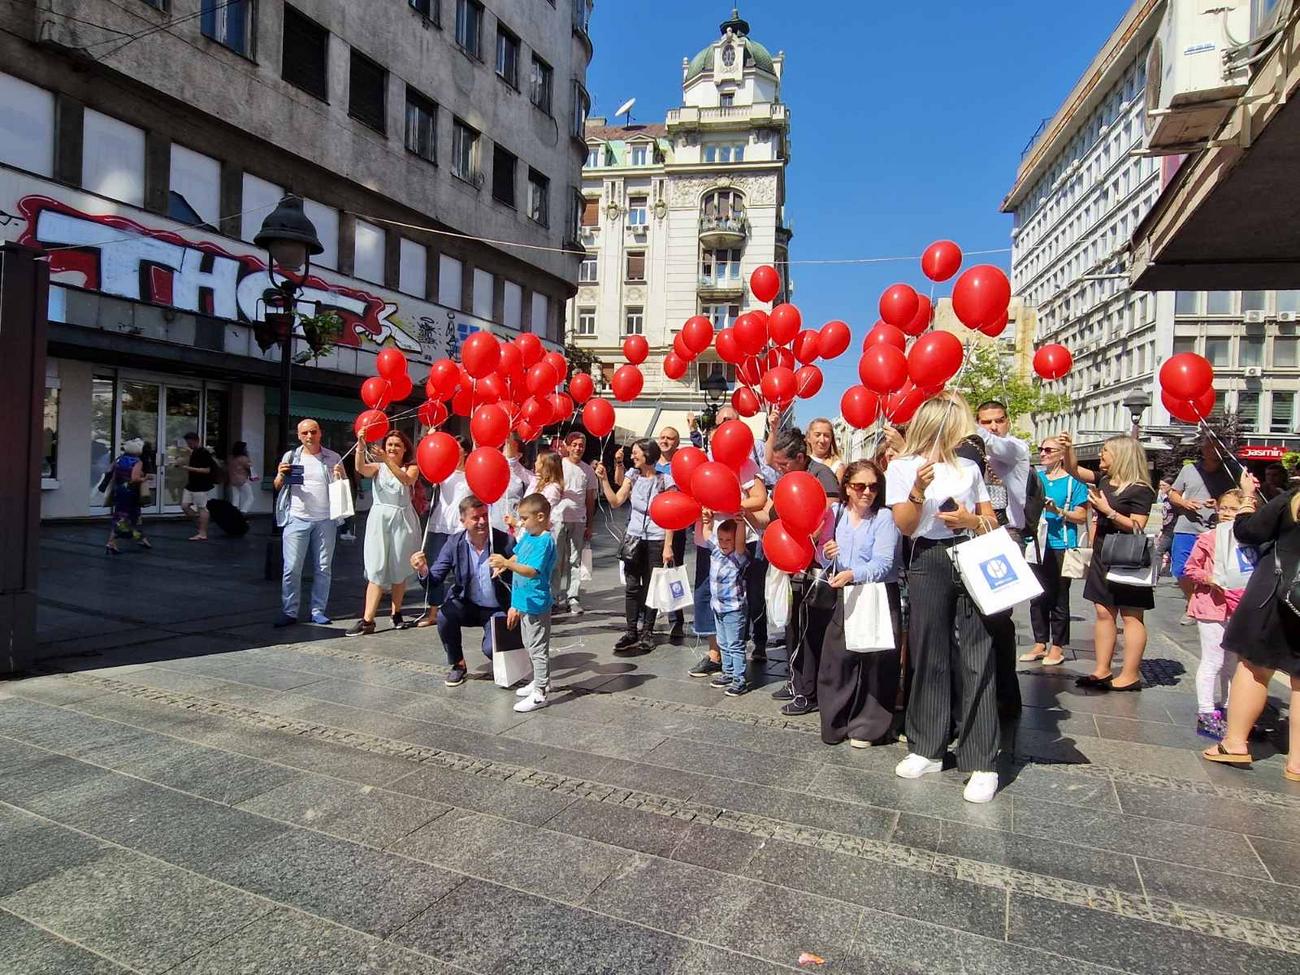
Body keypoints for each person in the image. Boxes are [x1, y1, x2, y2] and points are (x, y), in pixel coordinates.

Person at [885, 392, 1002, 804]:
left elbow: (991, 519)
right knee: (929, 651)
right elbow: (904, 525)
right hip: (928, 557)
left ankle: (982, 760)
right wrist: (917, 488)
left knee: (977, 651)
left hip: (970, 550)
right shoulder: (900, 467)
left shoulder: (969, 466)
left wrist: (971, 519)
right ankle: (927, 746)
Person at [1200, 473, 1300, 781]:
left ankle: (1234, 742)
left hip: (1276, 593)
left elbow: (1247, 531)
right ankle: (1297, 762)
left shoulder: (1292, 499)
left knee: (1255, 666)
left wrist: (1246, 499)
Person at [1058, 432, 1157, 692]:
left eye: (1105, 451)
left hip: (1128, 555)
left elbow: (1138, 526)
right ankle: (1101, 669)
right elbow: (1073, 470)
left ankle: (1130, 673)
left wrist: (1108, 511)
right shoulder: (1104, 480)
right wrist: (1069, 448)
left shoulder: (1140, 489)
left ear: (1121, 456)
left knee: (1131, 615)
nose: (1101, 455)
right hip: (1104, 551)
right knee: (1103, 611)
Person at [817, 460, 902, 747]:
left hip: (875, 592)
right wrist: (827, 555)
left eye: (874, 486)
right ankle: (836, 721)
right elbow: (821, 553)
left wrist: (854, 573)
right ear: (847, 488)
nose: (867, 492)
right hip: (844, 592)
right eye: (860, 486)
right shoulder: (836, 513)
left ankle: (868, 727)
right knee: (837, 660)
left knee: (875, 661)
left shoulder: (884, 518)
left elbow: (884, 562)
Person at [687, 410, 769, 679]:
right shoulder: (704, 461)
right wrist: (703, 508)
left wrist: (731, 504)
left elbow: (759, 497)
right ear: (715, 429)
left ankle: (743, 649)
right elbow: (692, 495)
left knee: (747, 596)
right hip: (709, 539)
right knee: (706, 594)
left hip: (741, 540)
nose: (729, 427)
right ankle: (715, 653)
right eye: (724, 422)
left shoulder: (747, 464)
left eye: (734, 421)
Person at [413, 495, 514, 687]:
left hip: (498, 608)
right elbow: (434, 580)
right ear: (463, 521)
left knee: (491, 650)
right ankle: (458, 665)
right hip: (468, 604)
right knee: (445, 615)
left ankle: (512, 649)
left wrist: (515, 607)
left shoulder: (504, 541)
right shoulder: (454, 543)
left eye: (485, 515)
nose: (482, 522)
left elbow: (523, 579)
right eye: (476, 518)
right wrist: (422, 569)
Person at [1182, 489, 1250, 739]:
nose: (1226, 514)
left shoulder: (1249, 542)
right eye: (1223, 508)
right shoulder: (1209, 538)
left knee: (1232, 663)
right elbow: (1189, 568)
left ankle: (1233, 709)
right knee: (1213, 660)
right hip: (1211, 604)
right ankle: (1206, 712)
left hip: (1237, 606)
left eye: (1233, 509)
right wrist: (1209, 578)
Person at [596, 439, 673, 653]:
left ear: (648, 454)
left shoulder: (665, 480)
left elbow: (671, 515)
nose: (633, 456)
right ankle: (631, 631)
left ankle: (647, 632)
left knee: (651, 587)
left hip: (656, 538)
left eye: (636, 453)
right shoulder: (632, 476)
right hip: (634, 537)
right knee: (631, 586)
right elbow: (615, 501)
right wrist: (603, 481)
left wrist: (668, 545)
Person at [347, 431, 421, 636]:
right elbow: (360, 468)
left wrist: (387, 460)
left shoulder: (411, 467)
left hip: (402, 519)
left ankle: (396, 612)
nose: (392, 448)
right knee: (376, 566)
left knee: (399, 565)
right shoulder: (378, 467)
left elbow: (406, 480)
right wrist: (360, 447)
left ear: (405, 448)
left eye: (397, 445)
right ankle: (367, 619)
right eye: (389, 444)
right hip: (380, 518)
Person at [273, 418, 346, 627]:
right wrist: (279, 474)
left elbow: (342, 487)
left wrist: (340, 477)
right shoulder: (291, 456)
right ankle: (289, 611)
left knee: (323, 567)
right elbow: (278, 486)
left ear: (320, 433)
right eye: (304, 433)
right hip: (296, 518)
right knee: (291, 568)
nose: (309, 436)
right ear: (298, 435)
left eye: (313, 432)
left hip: (325, 519)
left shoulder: (332, 457)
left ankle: (318, 610)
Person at [490, 492, 557, 713]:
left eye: (525, 518)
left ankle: (540, 693)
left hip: (536, 602)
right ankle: (540, 681)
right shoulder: (529, 536)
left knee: (538, 648)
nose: (522, 523)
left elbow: (531, 571)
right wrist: (506, 563)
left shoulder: (545, 540)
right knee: (529, 644)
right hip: (523, 600)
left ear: (540, 516)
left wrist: (507, 565)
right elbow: (518, 556)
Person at [1024, 437, 1089, 665]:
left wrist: (1058, 510)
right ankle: (1040, 642)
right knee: (1037, 595)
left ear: (1062, 454)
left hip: (1061, 544)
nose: (1043, 453)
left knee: (1059, 597)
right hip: (1037, 544)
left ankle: (1058, 646)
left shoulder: (1073, 482)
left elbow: (1081, 516)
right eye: (1040, 449)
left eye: (1049, 450)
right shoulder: (1036, 479)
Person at [1169, 439, 1236, 623]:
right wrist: (1185, 502)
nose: (1214, 451)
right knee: (1181, 569)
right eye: (1210, 447)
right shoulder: (1189, 470)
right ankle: (1192, 603)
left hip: (1216, 528)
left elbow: (1236, 497)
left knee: (1214, 571)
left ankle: (1211, 606)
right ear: (1203, 450)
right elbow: (1173, 493)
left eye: (1218, 447)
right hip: (1187, 527)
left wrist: (1219, 504)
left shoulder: (1231, 471)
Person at [414, 436, 471, 627]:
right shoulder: (443, 473)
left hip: (461, 527)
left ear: (465, 452)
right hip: (439, 525)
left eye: (457, 448)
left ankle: (463, 609)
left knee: (462, 572)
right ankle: (432, 612)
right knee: (436, 569)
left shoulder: (472, 474)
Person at [700, 513, 752, 696]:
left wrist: (740, 524)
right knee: (723, 642)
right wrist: (707, 520)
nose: (723, 543)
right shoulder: (716, 550)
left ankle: (739, 679)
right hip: (718, 607)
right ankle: (728, 672)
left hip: (733, 609)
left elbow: (740, 544)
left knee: (735, 644)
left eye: (728, 540)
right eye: (721, 539)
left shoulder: (738, 557)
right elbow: (707, 534)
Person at [559, 432, 597, 615]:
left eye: (581, 445)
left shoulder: (588, 471)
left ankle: (572, 597)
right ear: (567, 446)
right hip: (557, 519)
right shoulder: (558, 465)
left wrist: (590, 524)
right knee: (555, 561)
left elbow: (590, 499)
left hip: (579, 520)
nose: (577, 448)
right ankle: (552, 597)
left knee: (575, 560)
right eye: (573, 444)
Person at [533, 450, 570, 603]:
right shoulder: (540, 483)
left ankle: (550, 598)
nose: (534, 464)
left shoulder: (552, 489)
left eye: (538, 461)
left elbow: (538, 508)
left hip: (546, 532)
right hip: (536, 531)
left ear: (546, 466)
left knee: (547, 567)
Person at [104, 438, 151, 554]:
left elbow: (110, 471)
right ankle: (112, 541)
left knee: (125, 514)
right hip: (130, 491)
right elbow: (135, 478)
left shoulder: (119, 459)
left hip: (119, 489)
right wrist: (145, 478)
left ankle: (141, 538)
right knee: (126, 517)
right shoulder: (137, 461)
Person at [765, 412, 845, 479]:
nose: (822, 440)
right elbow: (770, 460)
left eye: (826, 436)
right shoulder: (799, 462)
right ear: (808, 438)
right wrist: (773, 429)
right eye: (817, 435)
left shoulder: (837, 466)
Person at [492, 434, 535, 536]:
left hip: (513, 525)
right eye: (505, 446)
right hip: (494, 522)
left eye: (511, 446)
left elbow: (511, 461)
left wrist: (509, 432)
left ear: (519, 455)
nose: (507, 447)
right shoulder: (494, 469)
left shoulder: (524, 474)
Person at [178, 431, 216, 541]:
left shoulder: (204, 452)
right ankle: (200, 523)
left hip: (201, 485)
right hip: (192, 484)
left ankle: (202, 532)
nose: (188, 445)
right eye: (187, 443)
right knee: (185, 505)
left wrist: (188, 468)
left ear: (196, 441)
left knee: (202, 508)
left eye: (190, 443)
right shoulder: (193, 452)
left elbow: (207, 470)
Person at [226, 441, 255, 514]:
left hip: (233, 480)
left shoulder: (231, 458)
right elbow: (250, 468)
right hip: (242, 480)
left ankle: (233, 513)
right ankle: (243, 512)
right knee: (250, 497)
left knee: (236, 498)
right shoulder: (244, 458)